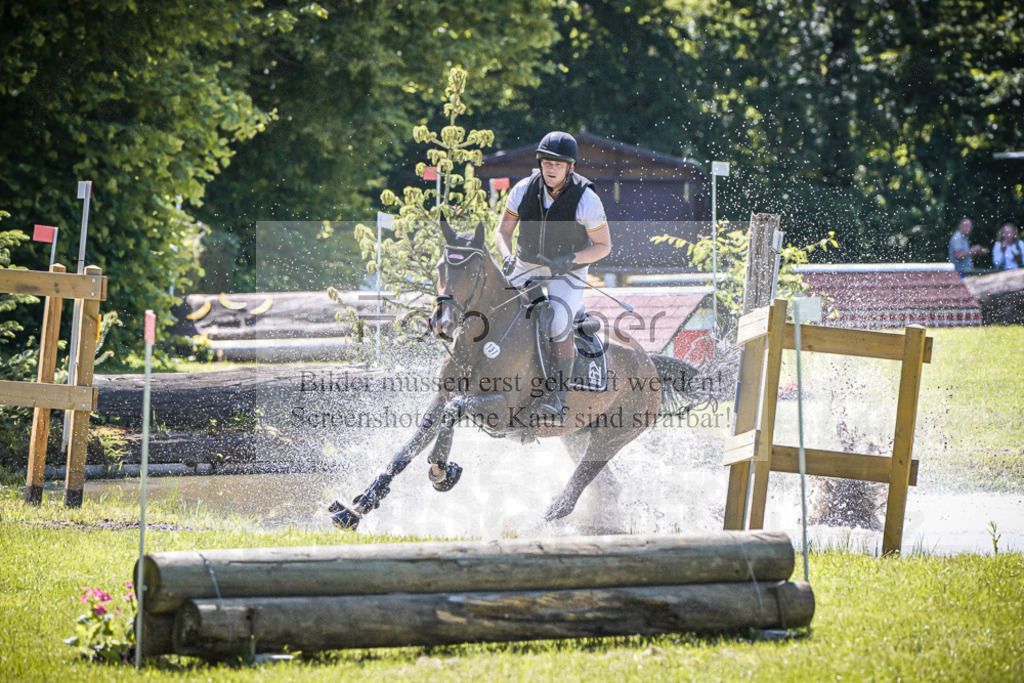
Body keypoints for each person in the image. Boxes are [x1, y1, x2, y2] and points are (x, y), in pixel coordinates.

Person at [495, 131, 611, 422]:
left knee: (558, 320)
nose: (550, 168)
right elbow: (502, 232)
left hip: (567, 269)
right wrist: (506, 257)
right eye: (546, 162)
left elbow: (603, 247)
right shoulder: (523, 189)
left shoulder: (587, 199)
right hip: (525, 263)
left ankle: (557, 399)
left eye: (557, 164)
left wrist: (570, 259)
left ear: (570, 167)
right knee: (496, 307)